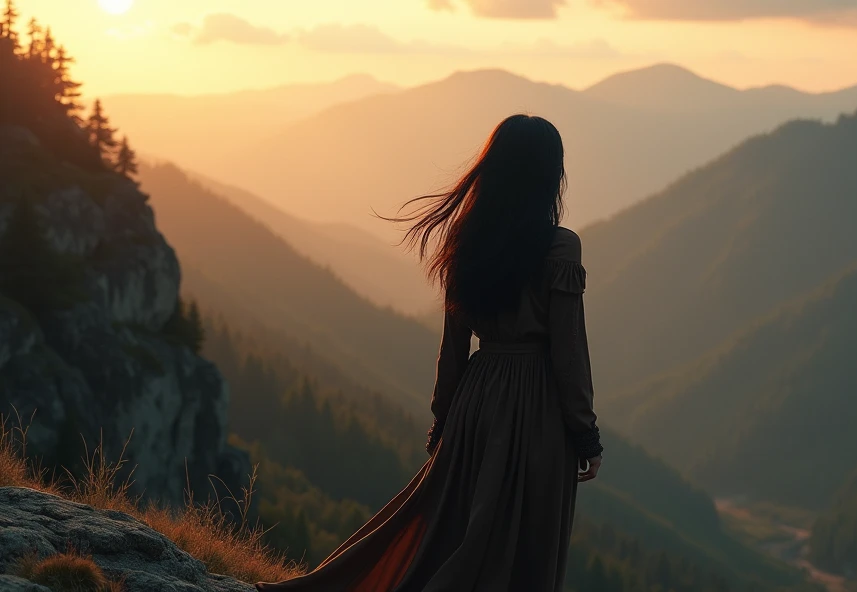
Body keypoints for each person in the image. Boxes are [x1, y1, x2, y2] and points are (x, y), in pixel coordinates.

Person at [256, 114, 603, 592]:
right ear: (550, 174)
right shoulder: (562, 248)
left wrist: (444, 418)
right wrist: (585, 434)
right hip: (538, 409)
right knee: (526, 538)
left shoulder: (468, 241)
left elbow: (454, 344)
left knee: (455, 530)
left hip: (476, 404)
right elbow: (567, 351)